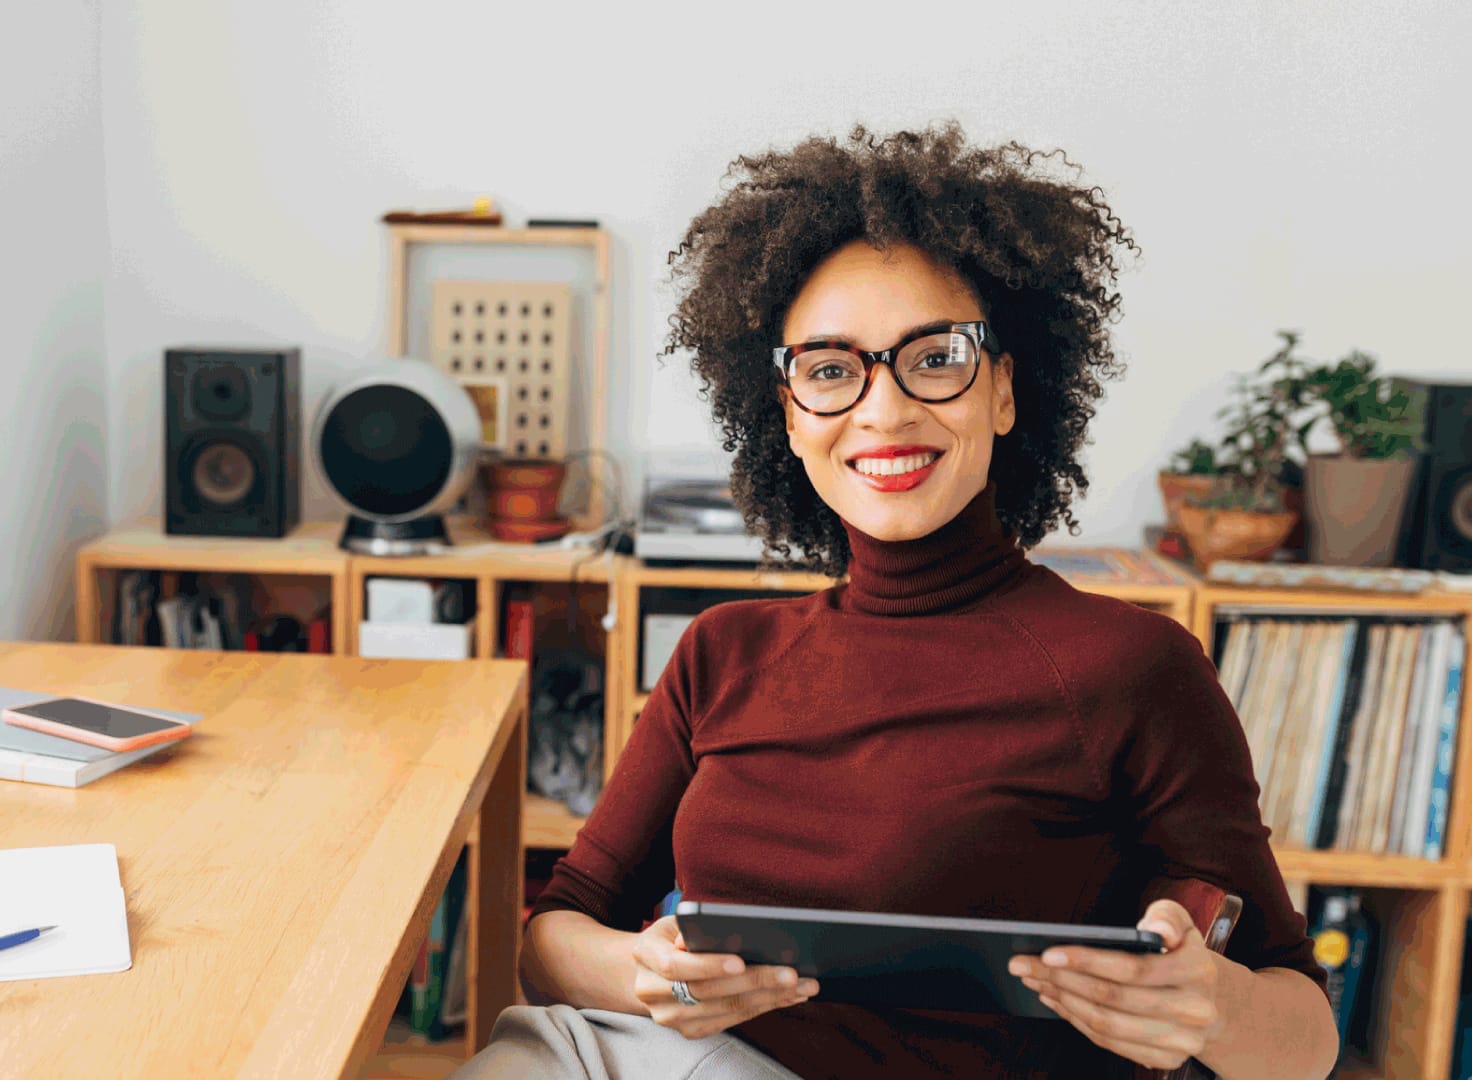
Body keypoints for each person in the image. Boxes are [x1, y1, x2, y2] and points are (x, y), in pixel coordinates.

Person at [453, 121, 1339, 1079]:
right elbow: (555, 933)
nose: (883, 409)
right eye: (831, 371)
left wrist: (1217, 1009)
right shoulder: (723, 651)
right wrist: (644, 972)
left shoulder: (1130, 667)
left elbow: (1307, 1035)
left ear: (1002, 389)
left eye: (935, 356)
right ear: (790, 417)